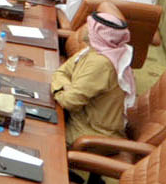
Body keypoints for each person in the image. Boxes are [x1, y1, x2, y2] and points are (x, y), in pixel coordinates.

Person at [51, 12, 134, 146]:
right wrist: (67, 86)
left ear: (98, 34)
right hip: (75, 120)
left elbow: (69, 101)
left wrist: (61, 87)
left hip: (88, 135)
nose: (85, 28)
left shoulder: (102, 63)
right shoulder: (93, 51)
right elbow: (61, 71)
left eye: (89, 26)